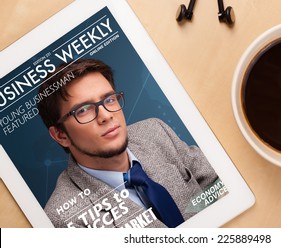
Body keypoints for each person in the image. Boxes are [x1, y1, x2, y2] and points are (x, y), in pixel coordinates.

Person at [38, 59, 219, 228]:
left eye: (109, 99)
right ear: (60, 135)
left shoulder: (155, 130)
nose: (106, 115)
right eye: (83, 110)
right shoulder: (62, 220)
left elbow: (217, 183)